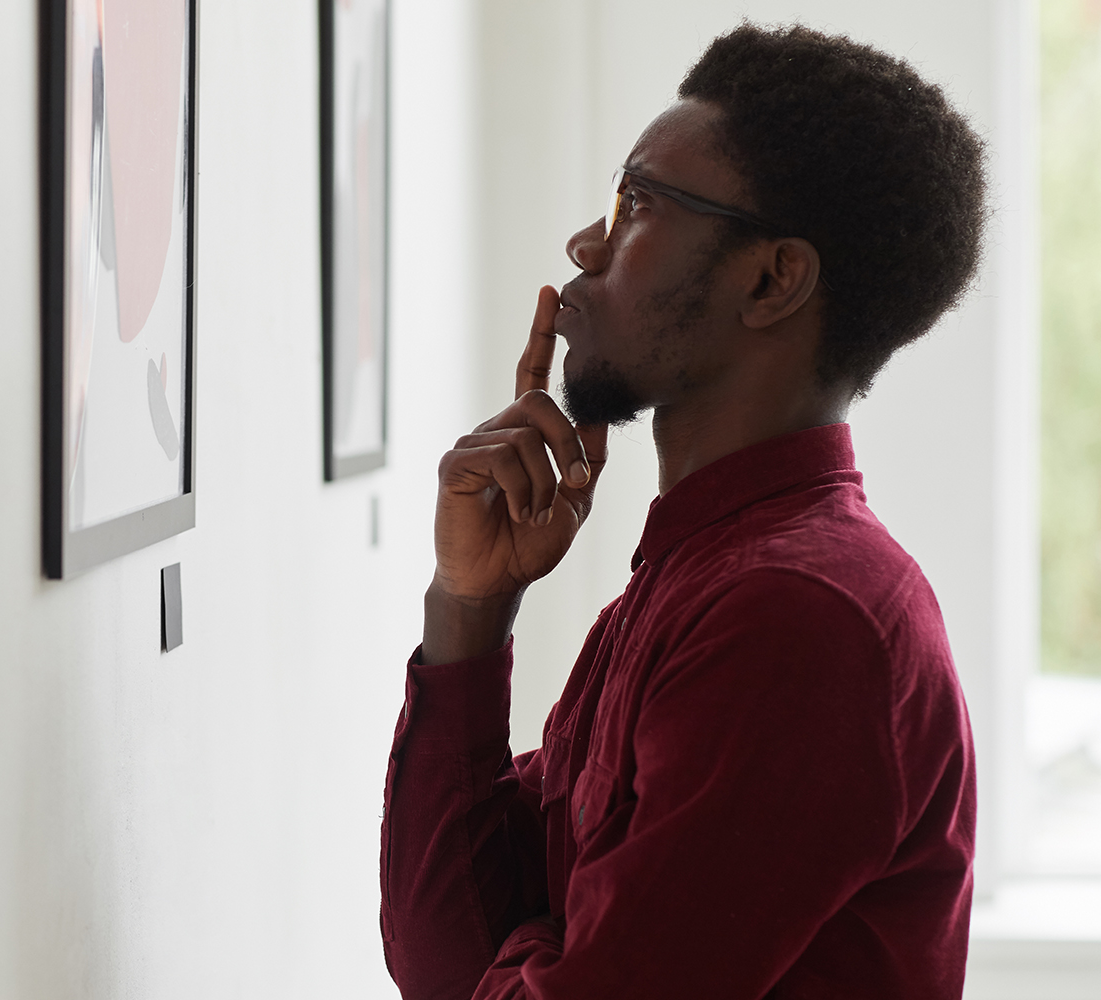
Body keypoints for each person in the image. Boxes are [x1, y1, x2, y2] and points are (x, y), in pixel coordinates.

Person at [379, 23, 985, 1000]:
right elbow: (442, 962)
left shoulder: (795, 616)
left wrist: (538, 941)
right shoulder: (691, 585)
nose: (584, 244)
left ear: (771, 279)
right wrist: (468, 605)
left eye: (638, 205)